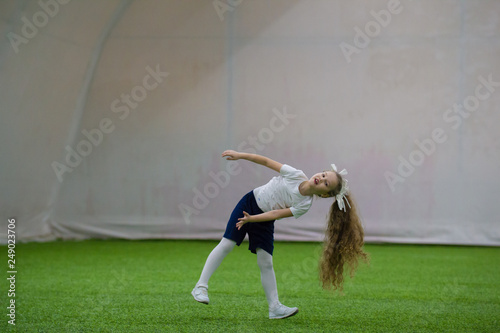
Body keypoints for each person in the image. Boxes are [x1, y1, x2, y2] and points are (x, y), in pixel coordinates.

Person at [191, 150, 368, 319]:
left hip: (263, 219)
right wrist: (240, 156)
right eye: (323, 175)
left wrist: (252, 219)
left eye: (326, 183)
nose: (320, 179)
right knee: (227, 244)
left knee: (266, 262)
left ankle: (274, 307)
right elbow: (266, 161)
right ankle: (200, 286)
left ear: (324, 194)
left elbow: (275, 214)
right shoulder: (296, 174)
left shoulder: (304, 205)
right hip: (249, 203)